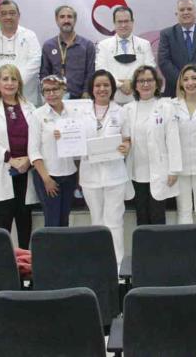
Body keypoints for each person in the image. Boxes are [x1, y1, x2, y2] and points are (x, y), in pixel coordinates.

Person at [0, 64, 38, 249]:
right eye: (5, 79)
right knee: (3, 219)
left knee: (24, 218)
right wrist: (10, 159)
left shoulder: (30, 107)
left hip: (26, 169)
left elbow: (37, 135)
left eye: (13, 79)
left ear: (19, 83)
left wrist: (28, 159)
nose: (10, 83)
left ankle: (26, 262)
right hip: (3, 168)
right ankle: (1, 262)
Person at [79, 69, 132, 264]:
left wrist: (126, 146)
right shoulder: (81, 112)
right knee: (97, 221)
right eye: (98, 85)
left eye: (106, 85)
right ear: (92, 89)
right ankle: (100, 263)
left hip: (115, 175)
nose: (102, 89)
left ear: (112, 88)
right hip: (90, 175)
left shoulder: (121, 111)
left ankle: (117, 265)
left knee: (115, 220)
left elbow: (127, 139)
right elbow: (73, 139)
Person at [123, 65, 180, 225]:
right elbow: (124, 139)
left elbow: (173, 140)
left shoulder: (166, 107)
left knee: (157, 217)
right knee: (141, 217)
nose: (145, 84)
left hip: (159, 171)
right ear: (135, 85)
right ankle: (143, 250)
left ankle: (160, 250)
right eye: (141, 81)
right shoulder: (128, 109)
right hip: (136, 172)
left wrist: (173, 170)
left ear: (157, 83)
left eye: (149, 80)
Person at [27, 75, 78, 227]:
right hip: (48, 176)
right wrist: (46, 179)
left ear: (63, 90)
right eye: (46, 91)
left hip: (69, 174)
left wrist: (68, 136)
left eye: (55, 89)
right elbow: (33, 150)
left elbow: (81, 144)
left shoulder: (74, 112)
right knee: (52, 221)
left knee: (64, 220)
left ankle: (63, 252)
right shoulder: (37, 115)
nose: (51, 94)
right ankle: (50, 251)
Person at [166, 64, 196, 224]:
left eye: (194, 78)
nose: (190, 83)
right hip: (180, 168)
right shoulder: (171, 106)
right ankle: (185, 249)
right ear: (180, 83)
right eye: (186, 79)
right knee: (184, 212)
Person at [0, 0, 41, 104]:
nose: (8, 17)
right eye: (4, 14)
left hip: (25, 95)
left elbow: (35, 62)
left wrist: (16, 83)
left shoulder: (30, 36)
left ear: (18, 15)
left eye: (12, 13)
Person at [96, 6, 155, 105]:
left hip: (138, 99)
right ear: (114, 24)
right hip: (112, 99)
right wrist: (120, 85)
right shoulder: (103, 45)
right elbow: (101, 71)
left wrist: (132, 83)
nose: (123, 25)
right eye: (119, 22)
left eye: (126, 21)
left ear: (132, 22)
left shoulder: (144, 44)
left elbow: (150, 68)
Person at [40, 5, 96, 99]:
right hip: (54, 97)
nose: (66, 20)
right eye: (62, 17)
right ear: (56, 20)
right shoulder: (48, 46)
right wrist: (48, 94)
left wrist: (86, 92)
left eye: (69, 17)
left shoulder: (87, 45)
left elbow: (90, 72)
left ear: (75, 20)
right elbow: (44, 73)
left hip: (81, 98)